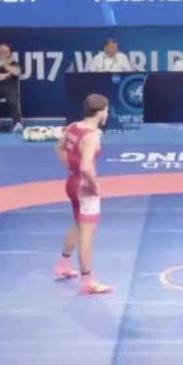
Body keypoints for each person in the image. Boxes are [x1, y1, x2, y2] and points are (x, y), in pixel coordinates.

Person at [54, 93, 113, 295]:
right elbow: (87, 167)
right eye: (106, 110)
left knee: (79, 226)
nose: (107, 114)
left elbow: (59, 147)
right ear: (99, 113)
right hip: (84, 188)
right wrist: (94, 185)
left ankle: (63, 265)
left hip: (71, 182)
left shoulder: (73, 127)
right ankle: (88, 281)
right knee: (87, 234)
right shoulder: (92, 136)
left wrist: (71, 169)